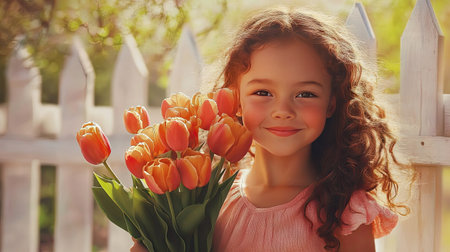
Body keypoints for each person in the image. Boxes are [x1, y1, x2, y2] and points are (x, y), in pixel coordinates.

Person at [131, 6, 410, 252]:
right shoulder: (209, 201)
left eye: (306, 94)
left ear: (332, 104)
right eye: (263, 92)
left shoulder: (345, 212)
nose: (283, 110)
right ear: (235, 99)